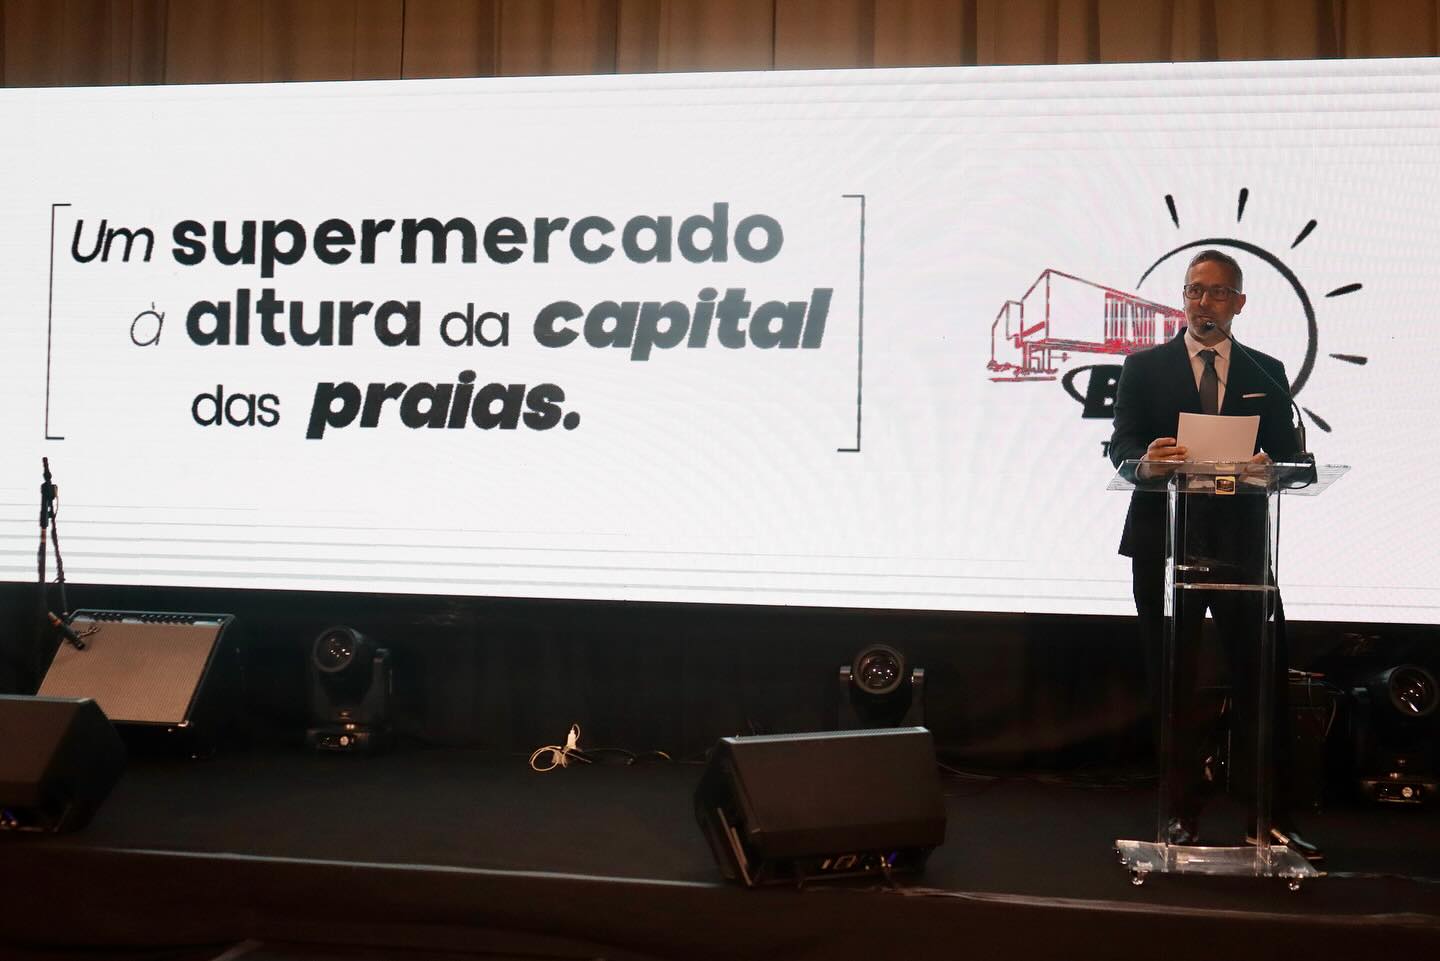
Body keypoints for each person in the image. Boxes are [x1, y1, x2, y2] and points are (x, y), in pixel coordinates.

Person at [1109, 249, 1321, 861]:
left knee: (1260, 677)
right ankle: (1179, 812)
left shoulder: (1265, 370)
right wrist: (1146, 460)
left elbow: (1292, 457)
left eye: (1218, 292)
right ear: (1184, 298)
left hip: (1241, 548)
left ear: (1239, 303)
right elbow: (1121, 445)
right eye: (1195, 291)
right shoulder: (1144, 367)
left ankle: (1265, 817)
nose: (1204, 302)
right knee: (1173, 679)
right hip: (1164, 543)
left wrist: (1270, 466)